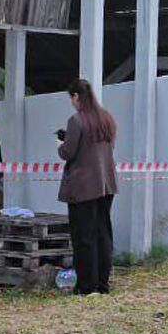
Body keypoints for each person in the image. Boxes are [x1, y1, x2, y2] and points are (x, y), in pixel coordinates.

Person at [58, 78, 119, 295]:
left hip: (83, 186)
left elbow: (68, 152)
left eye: (71, 98)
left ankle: (86, 285)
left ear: (75, 97)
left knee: (84, 237)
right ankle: (102, 284)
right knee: (103, 233)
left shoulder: (76, 121)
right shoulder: (107, 119)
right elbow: (107, 148)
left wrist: (60, 144)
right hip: (106, 184)